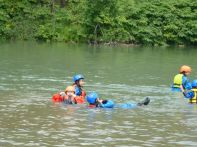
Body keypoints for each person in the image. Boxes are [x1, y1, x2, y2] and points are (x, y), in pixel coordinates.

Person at [86, 92, 150, 109]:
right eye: (98, 98)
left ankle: (141, 104)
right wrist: (103, 101)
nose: (99, 98)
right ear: (96, 100)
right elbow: (111, 103)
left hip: (116, 107)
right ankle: (143, 103)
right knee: (131, 104)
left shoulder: (91, 107)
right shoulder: (101, 106)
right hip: (120, 107)